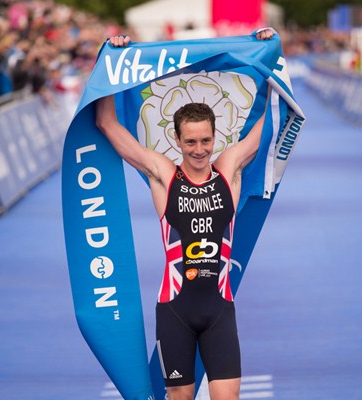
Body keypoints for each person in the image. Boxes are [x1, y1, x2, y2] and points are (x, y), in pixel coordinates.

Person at [95, 29, 275, 400]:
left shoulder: (229, 169)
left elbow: (268, 124)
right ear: (177, 140)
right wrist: (110, 64)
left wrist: (270, 53)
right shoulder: (163, 175)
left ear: (215, 137)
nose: (199, 150)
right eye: (190, 142)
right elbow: (107, 125)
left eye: (206, 140)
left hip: (219, 310)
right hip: (175, 310)